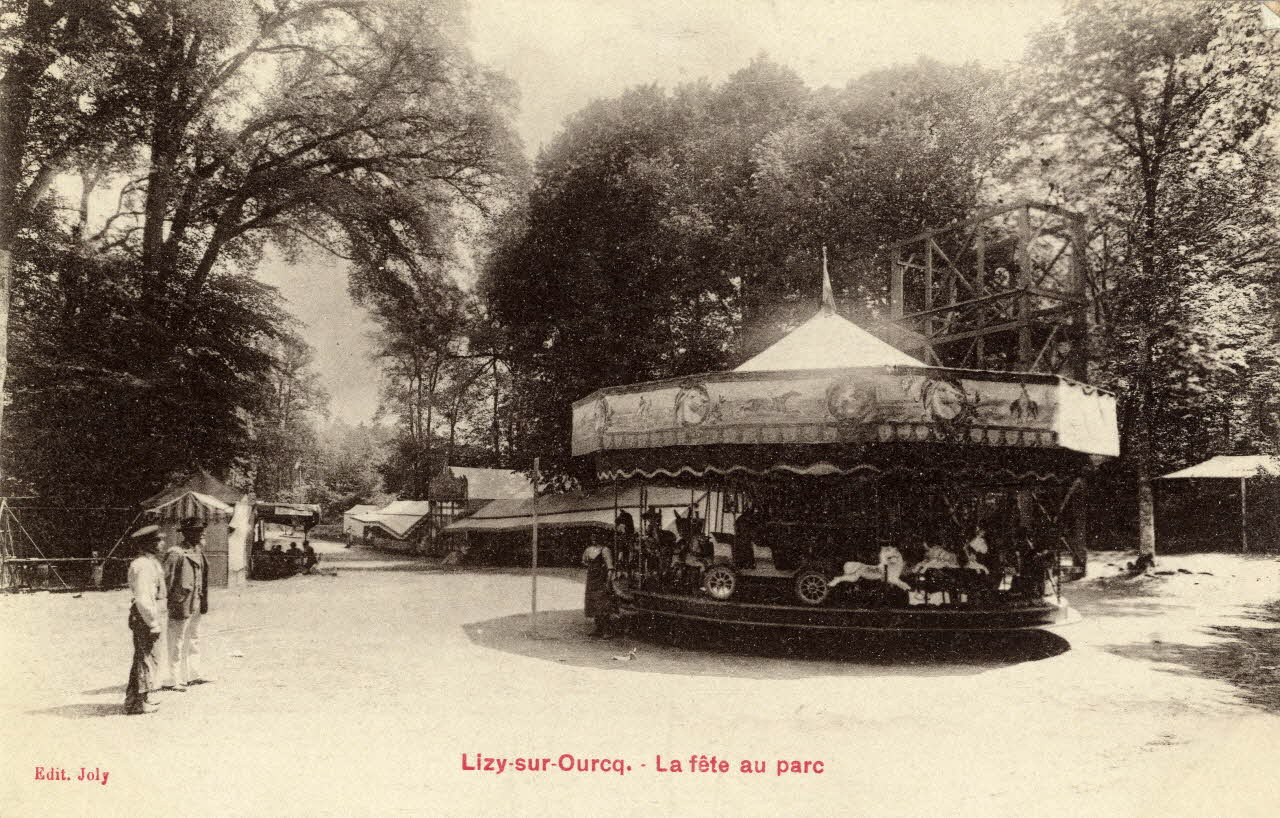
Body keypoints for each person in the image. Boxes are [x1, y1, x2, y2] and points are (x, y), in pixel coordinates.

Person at [164, 517, 211, 689]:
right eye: (198, 531)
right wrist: (168, 602)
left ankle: (193, 674)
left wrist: (204, 600)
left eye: (201, 530)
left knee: (194, 638)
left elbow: (203, 578)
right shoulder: (176, 552)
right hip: (180, 603)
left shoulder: (198, 551)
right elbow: (166, 580)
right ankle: (173, 679)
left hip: (196, 602)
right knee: (176, 641)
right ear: (187, 533)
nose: (202, 533)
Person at [124, 525, 166, 715]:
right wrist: (153, 623)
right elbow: (143, 598)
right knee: (145, 659)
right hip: (144, 617)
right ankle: (137, 703)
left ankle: (138, 699)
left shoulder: (150, 563)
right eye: (158, 541)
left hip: (146, 615)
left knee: (145, 657)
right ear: (148, 544)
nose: (162, 544)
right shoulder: (144, 566)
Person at [581, 538, 618, 637]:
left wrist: (608, 581)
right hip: (592, 579)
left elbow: (610, 567)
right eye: (592, 537)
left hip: (602, 579)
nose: (594, 539)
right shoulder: (589, 550)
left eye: (597, 536)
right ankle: (598, 628)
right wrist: (590, 566)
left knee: (602, 604)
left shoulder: (605, 550)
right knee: (593, 603)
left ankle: (607, 630)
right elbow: (584, 561)